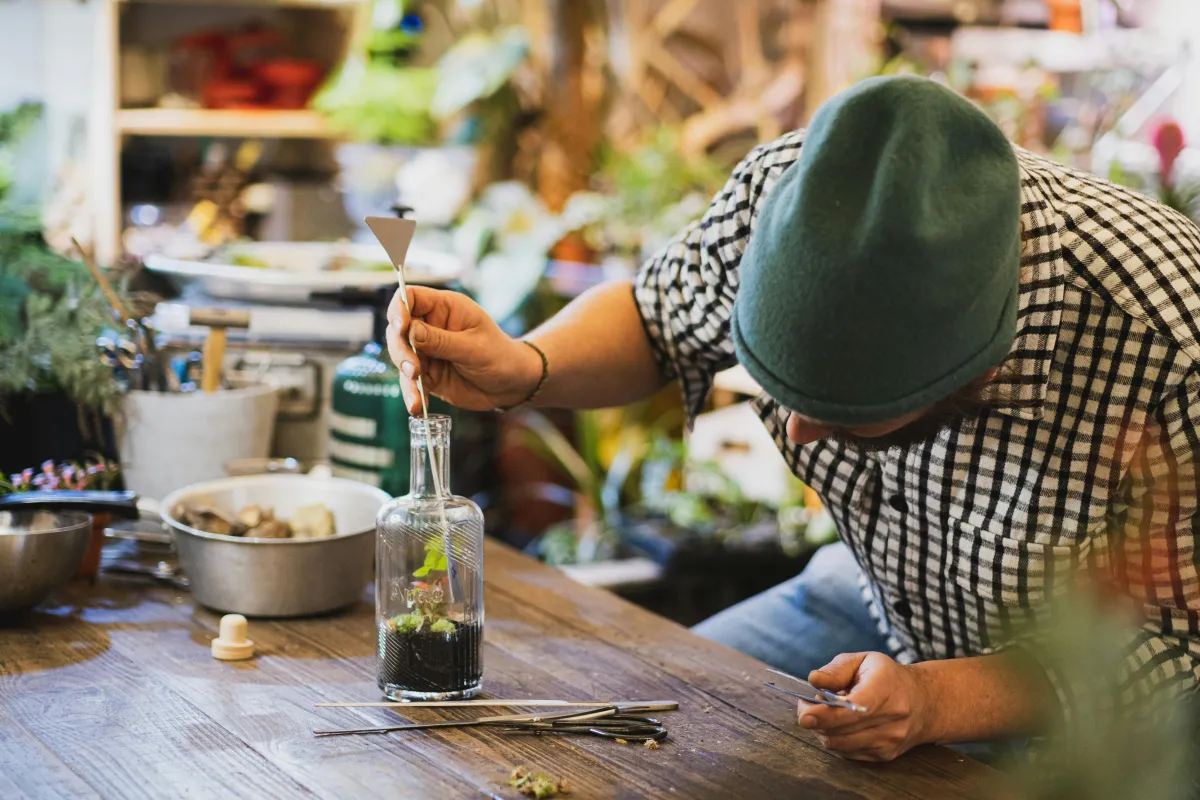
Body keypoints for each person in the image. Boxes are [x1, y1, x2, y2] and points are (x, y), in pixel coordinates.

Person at [386, 75, 1200, 762]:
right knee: (639, 729)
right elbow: (659, 316)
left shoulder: (1169, 340)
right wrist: (524, 367)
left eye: (847, 417)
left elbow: (1180, 650)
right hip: (876, 598)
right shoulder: (801, 195)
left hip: (1087, 696)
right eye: (780, 391)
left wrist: (939, 701)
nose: (799, 436)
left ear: (979, 374)